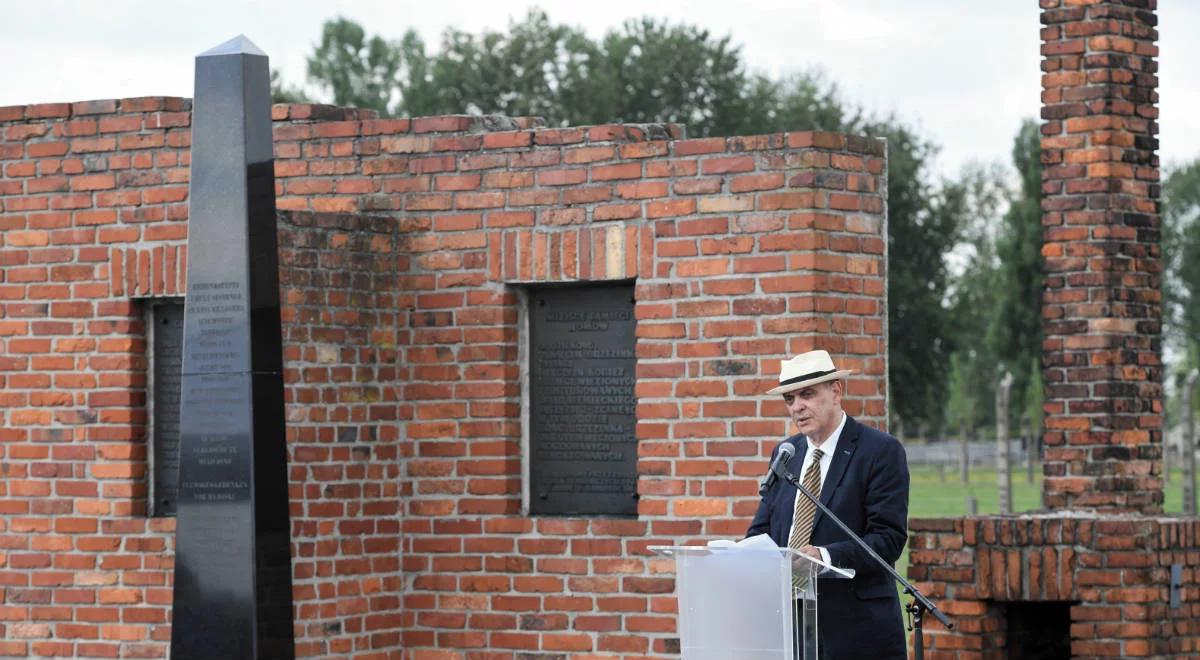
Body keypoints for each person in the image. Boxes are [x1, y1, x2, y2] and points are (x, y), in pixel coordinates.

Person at [746, 350, 909, 660]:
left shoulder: (879, 451)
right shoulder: (787, 453)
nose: (797, 407)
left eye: (807, 394)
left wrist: (823, 556)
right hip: (790, 629)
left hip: (856, 632)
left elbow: (887, 539)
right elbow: (762, 530)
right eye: (789, 399)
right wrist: (743, 554)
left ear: (836, 392)